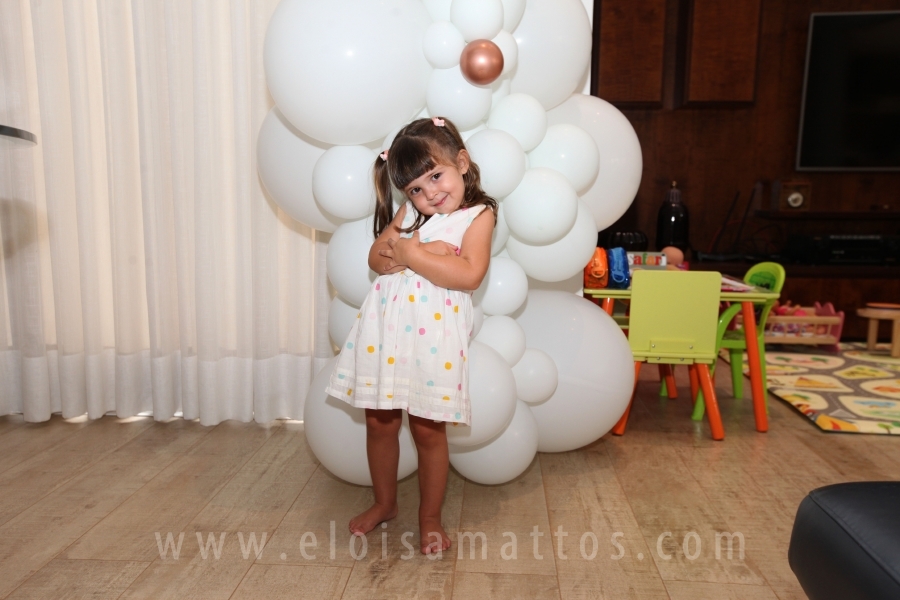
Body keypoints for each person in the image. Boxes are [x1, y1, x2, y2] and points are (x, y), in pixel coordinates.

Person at [325, 116, 496, 555]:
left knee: (427, 430)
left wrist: (412, 253)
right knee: (380, 422)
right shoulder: (412, 213)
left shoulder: (478, 215)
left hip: (433, 340)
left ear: (461, 162)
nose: (430, 194)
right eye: (416, 189)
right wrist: (420, 253)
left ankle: (430, 517)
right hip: (385, 332)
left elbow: (469, 274)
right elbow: (377, 257)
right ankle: (384, 503)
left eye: (436, 176)